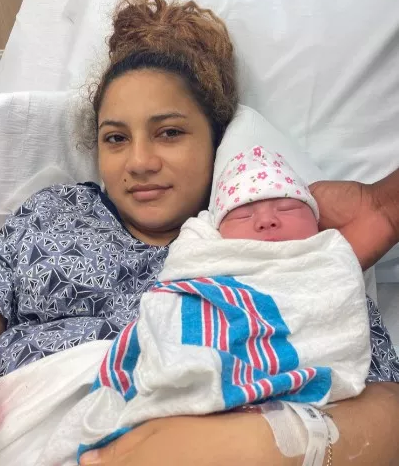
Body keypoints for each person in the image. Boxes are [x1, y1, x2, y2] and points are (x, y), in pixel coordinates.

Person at [0, 0, 396, 466]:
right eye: (115, 138)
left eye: (169, 132)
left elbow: (380, 397)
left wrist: (258, 441)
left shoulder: (273, 236)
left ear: (216, 137)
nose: (140, 162)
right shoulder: (55, 211)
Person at [60, 145, 369, 464]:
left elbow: (338, 323)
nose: (266, 220)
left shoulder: (325, 261)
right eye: (244, 214)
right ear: (217, 232)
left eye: (287, 208)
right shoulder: (204, 260)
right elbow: (166, 317)